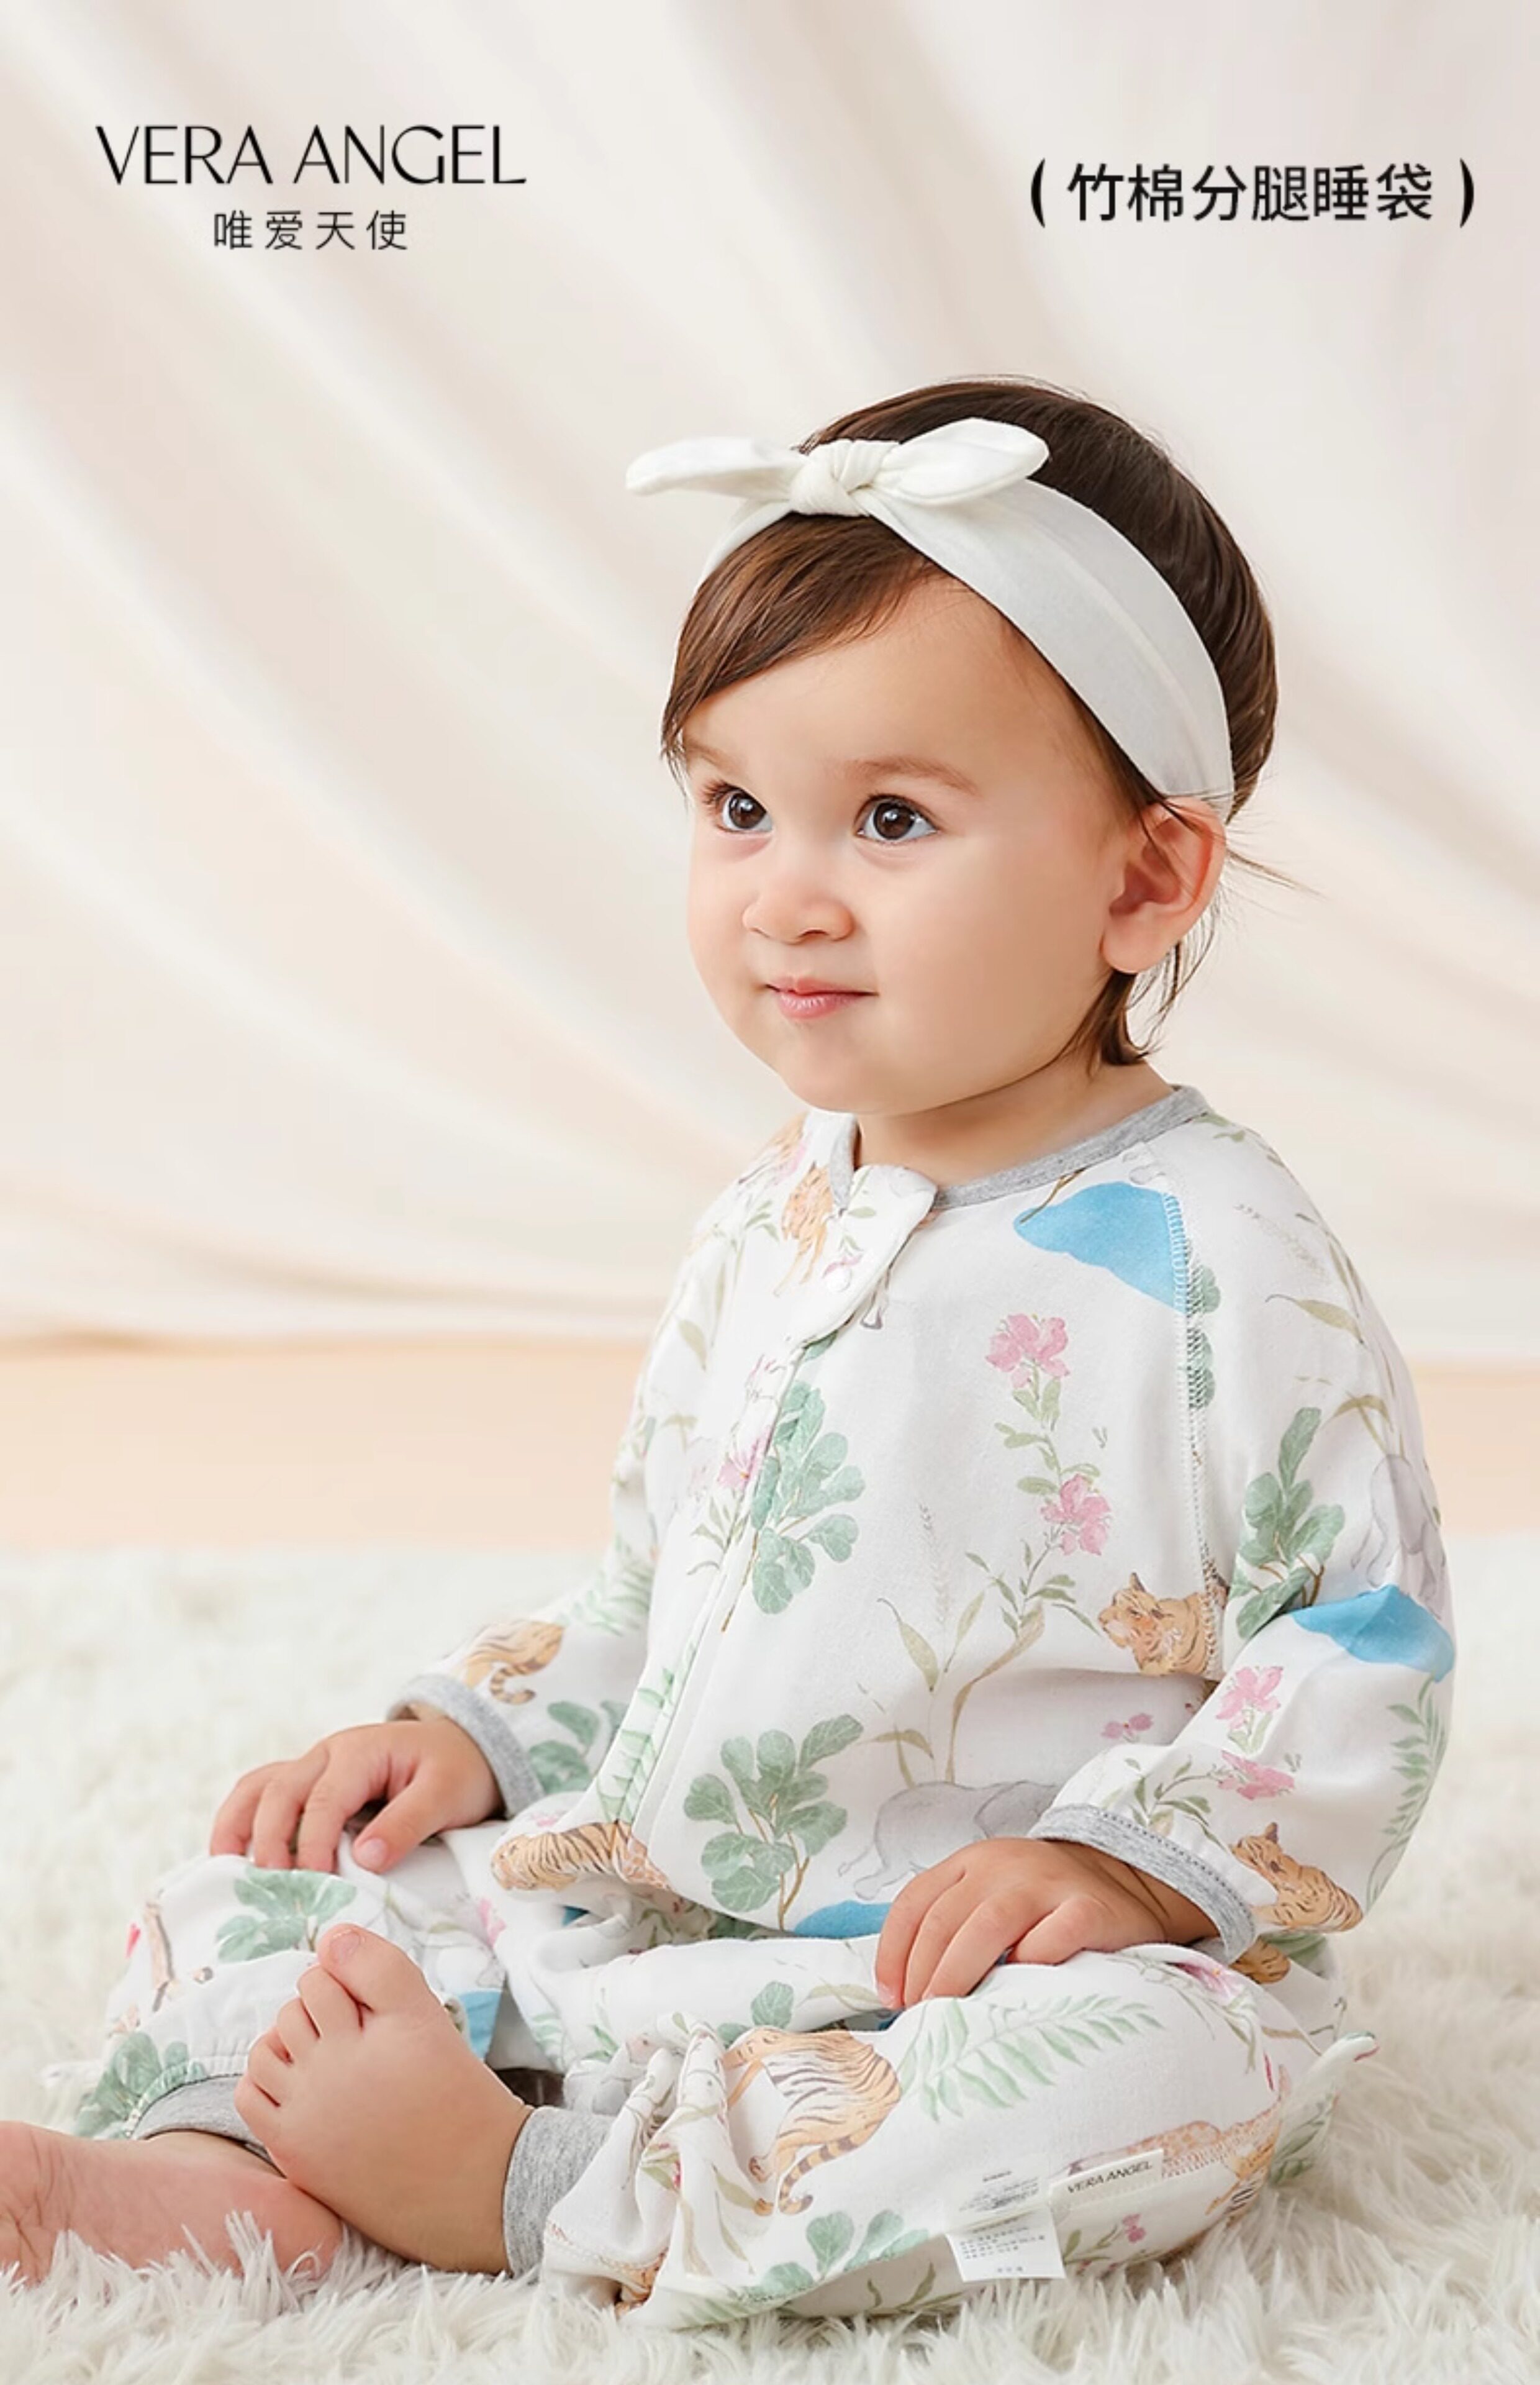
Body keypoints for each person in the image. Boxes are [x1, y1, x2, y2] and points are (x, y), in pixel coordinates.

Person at [2, 377, 1455, 2327]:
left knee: (1158, 2082)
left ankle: (543, 2188)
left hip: (963, 1973)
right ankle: (227, 2174)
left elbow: (1358, 1639)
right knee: (298, 1871)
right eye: (736, 808)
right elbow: (654, 1591)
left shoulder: (1226, 1255)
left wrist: (1126, 1873)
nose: (786, 893)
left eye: (892, 820)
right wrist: (476, 1737)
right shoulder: (773, 1214)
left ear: (1143, 879)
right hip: (659, 1910)